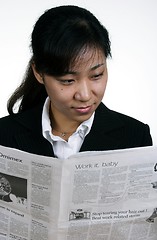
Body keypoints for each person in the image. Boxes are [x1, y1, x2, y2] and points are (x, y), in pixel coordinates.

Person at [0, 5, 152, 159]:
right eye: (68, 81)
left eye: (96, 75)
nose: (85, 95)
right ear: (39, 73)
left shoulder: (136, 137)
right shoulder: (3, 134)